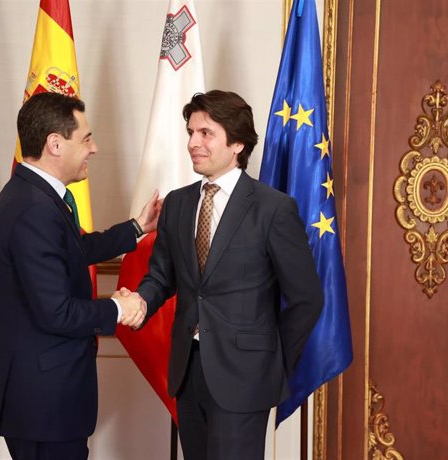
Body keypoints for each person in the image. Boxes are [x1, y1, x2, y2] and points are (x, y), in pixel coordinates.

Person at [132, 90, 323, 459]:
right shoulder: (177, 203)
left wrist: (272, 362)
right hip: (188, 372)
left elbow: (307, 298)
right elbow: (161, 275)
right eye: (190, 132)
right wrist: (140, 299)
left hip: (246, 377)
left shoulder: (273, 209)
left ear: (236, 142)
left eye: (205, 133)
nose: (192, 143)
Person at [0, 92, 160, 460]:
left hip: (41, 399)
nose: (94, 148)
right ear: (55, 144)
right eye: (86, 138)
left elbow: (73, 250)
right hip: (43, 404)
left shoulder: (34, 197)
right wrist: (118, 308)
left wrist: (136, 227)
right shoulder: (34, 210)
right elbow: (56, 312)